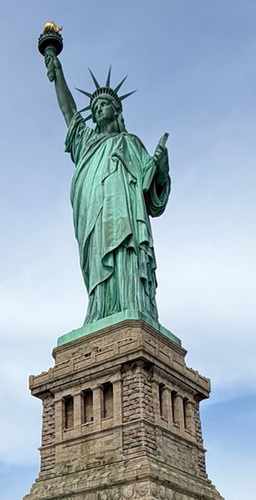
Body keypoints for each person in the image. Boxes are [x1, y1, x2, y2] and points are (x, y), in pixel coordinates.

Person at [42, 47, 170, 327]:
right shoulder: (86, 142)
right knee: (99, 259)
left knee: (126, 254)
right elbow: (68, 111)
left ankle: (132, 305)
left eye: (104, 104)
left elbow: (153, 193)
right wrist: (58, 73)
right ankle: (100, 310)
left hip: (126, 219)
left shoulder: (131, 144)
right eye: (95, 107)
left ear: (117, 109)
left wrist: (161, 167)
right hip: (95, 216)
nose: (98, 109)